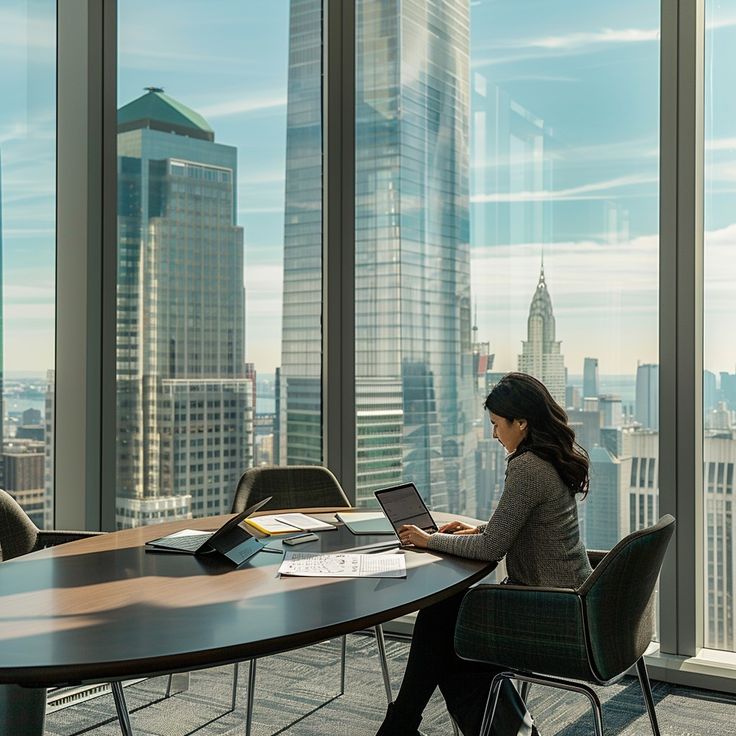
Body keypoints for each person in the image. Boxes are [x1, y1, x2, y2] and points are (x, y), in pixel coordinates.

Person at [375, 372, 592, 736]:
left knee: (442, 621)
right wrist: (475, 530)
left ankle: (401, 724)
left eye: (496, 424)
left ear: (520, 423)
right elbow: (518, 529)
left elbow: (493, 548)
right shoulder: (548, 458)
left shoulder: (527, 466)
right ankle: (404, 725)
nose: (493, 434)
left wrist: (428, 540)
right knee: (447, 627)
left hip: (553, 610)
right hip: (573, 599)